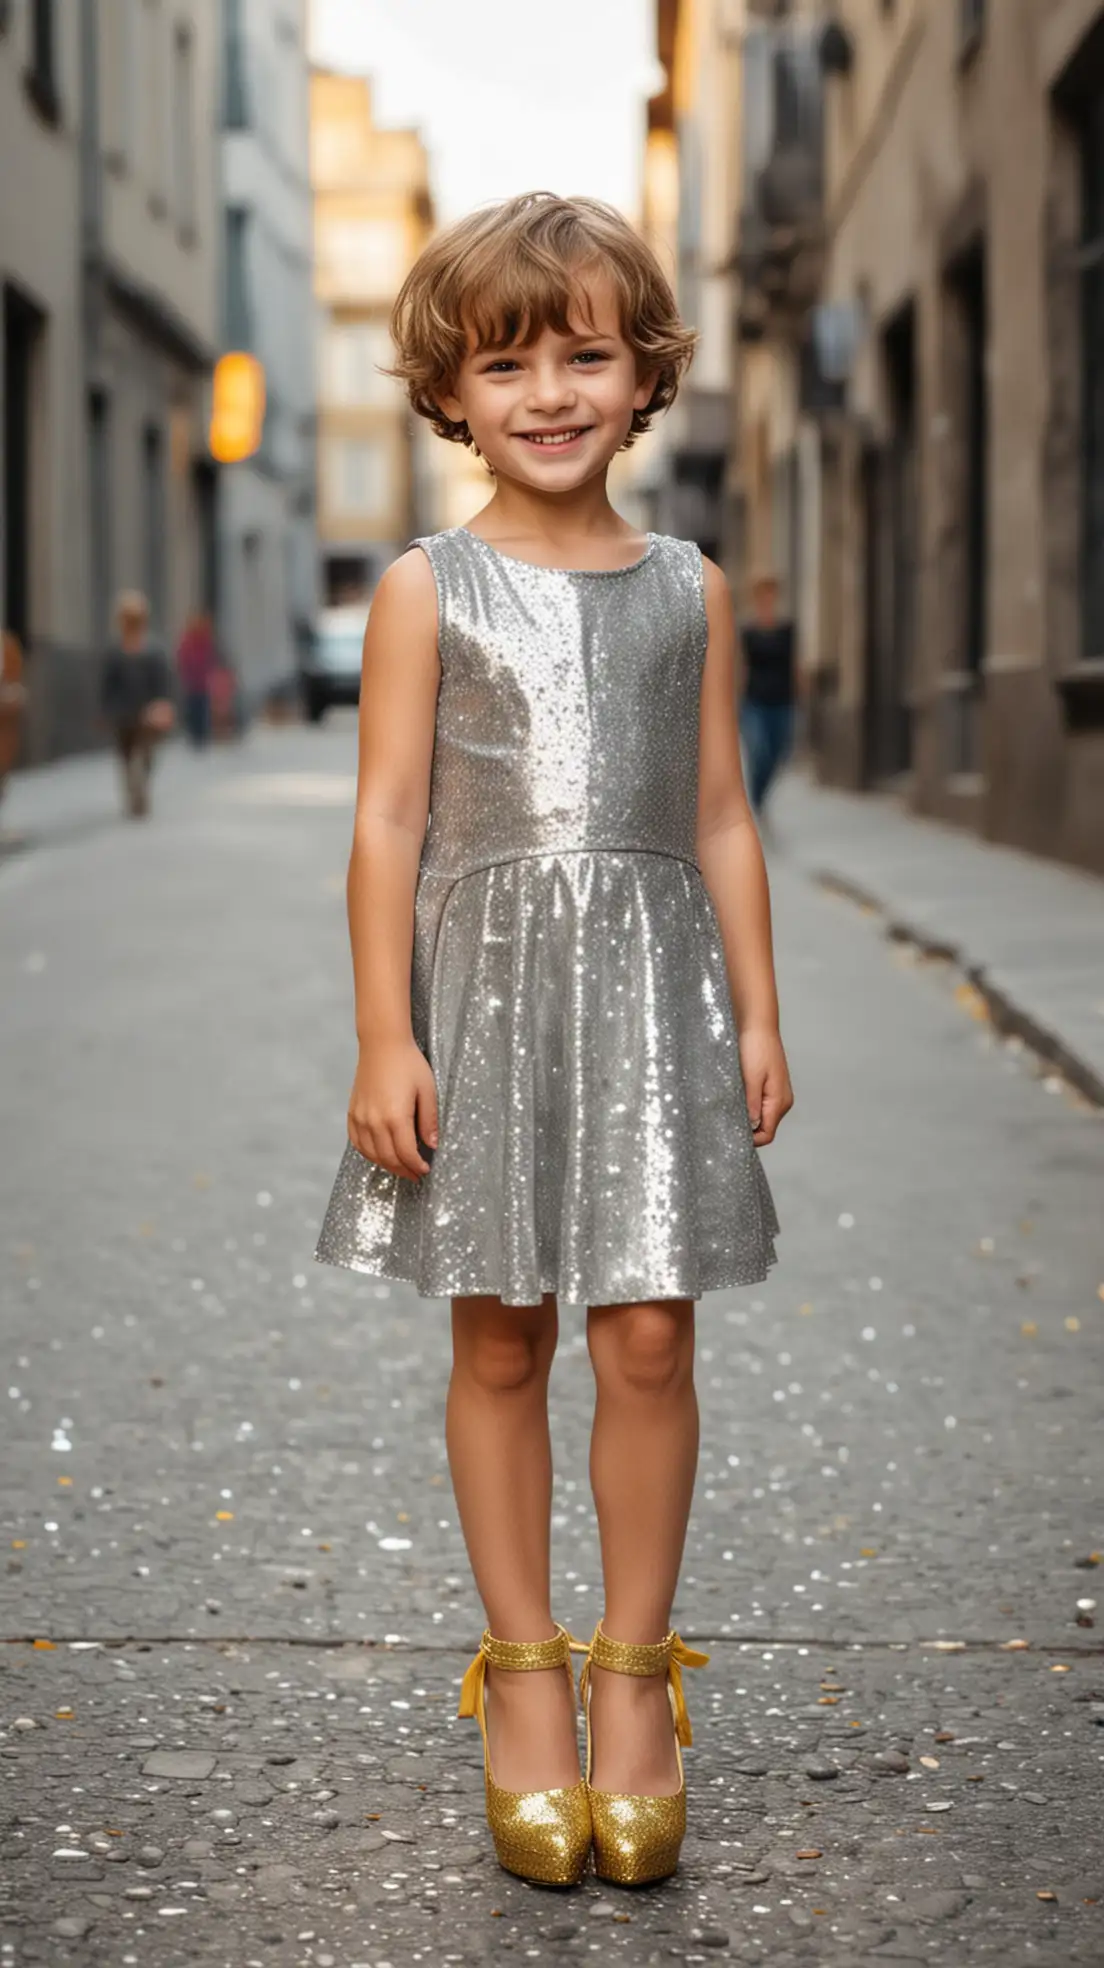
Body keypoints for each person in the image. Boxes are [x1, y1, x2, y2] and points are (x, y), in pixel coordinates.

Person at [313, 193, 793, 1889]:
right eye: (502, 359)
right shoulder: (418, 589)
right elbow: (381, 822)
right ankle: (520, 1669)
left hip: (653, 986)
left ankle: (632, 1670)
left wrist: (755, 1001)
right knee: (502, 1336)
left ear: (642, 369)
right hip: (489, 993)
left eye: (581, 351)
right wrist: (386, 1033)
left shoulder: (685, 584)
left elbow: (721, 810)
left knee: (648, 1336)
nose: (544, 390)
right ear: (449, 388)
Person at [99, 591, 175, 818]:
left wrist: (162, 705)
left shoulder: (153, 650)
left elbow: (163, 682)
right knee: (125, 756)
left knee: (145, 755)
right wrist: (106, 709)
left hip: (148, 713)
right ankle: (133, 793)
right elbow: (108, 684)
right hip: (123, 713)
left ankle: (139, 790)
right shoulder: (115, 651)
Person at [739, 572, 797, 816]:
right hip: (755, 700)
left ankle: (761, 795)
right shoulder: (748, 631)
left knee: (779, 752)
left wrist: (801, 698)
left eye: (771, 593)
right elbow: (739, 666)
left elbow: (795, 664)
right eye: (763, 594)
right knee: (759, 750)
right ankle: (756, 796)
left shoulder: (787, 629)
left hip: (783, 699)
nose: (767, 599)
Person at [175, 612, 217, 748]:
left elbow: (211, 659)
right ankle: (193, 734)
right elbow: (182, 659)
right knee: (192, 708)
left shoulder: (205, 641)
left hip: (203, 683)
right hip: (191, 683)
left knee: (202, 708)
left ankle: (202, 734)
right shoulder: (188, 641)